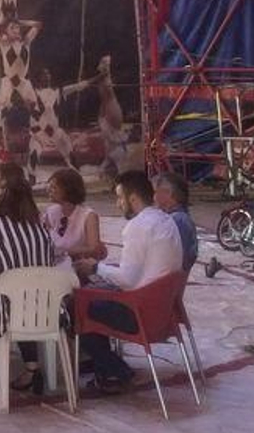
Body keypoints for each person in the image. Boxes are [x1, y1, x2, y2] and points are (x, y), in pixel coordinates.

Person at [75, 169, 184, 394]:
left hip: (141, 314)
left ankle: (115, 371)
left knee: (78, 308)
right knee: (98, 294)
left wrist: (95, 267)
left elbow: (127, 280)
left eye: (119, 198)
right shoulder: (166, 220)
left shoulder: (137, 226)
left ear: (133, 199)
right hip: (165, 311)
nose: (118, 204)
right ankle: (104, 363)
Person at [0, 176, 60, 394]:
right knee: (23, 301)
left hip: (6, 311)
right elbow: (49, 265)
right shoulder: (41, 230)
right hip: (42, 310)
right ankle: (32, 369)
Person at [41, 167, 105, 263]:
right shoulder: (50, 212)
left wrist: (64, 253)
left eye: (54, 187)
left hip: (80, 266)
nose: (49, 190)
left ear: (68, 189)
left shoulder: (88, 216)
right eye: (49, 187)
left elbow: (94, 249)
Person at [154, 172, 199, 273]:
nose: (153, 197)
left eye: (155, 192)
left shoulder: (176, 221)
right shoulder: (179, 219)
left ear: (168, 193)